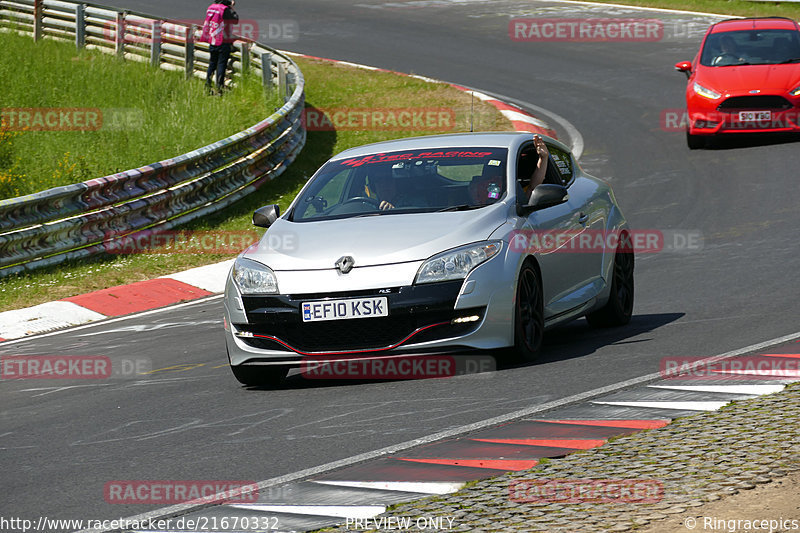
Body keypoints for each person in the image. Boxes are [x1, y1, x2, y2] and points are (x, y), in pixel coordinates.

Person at [200, 0, 239, 94]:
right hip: (222, 40)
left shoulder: (211, 7)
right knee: (221, 64)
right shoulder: (225, 9)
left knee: (212, 63)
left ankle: (207, 85)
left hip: (212, 39)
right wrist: (232, 8)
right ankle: (219, 87)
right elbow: (235, 20)